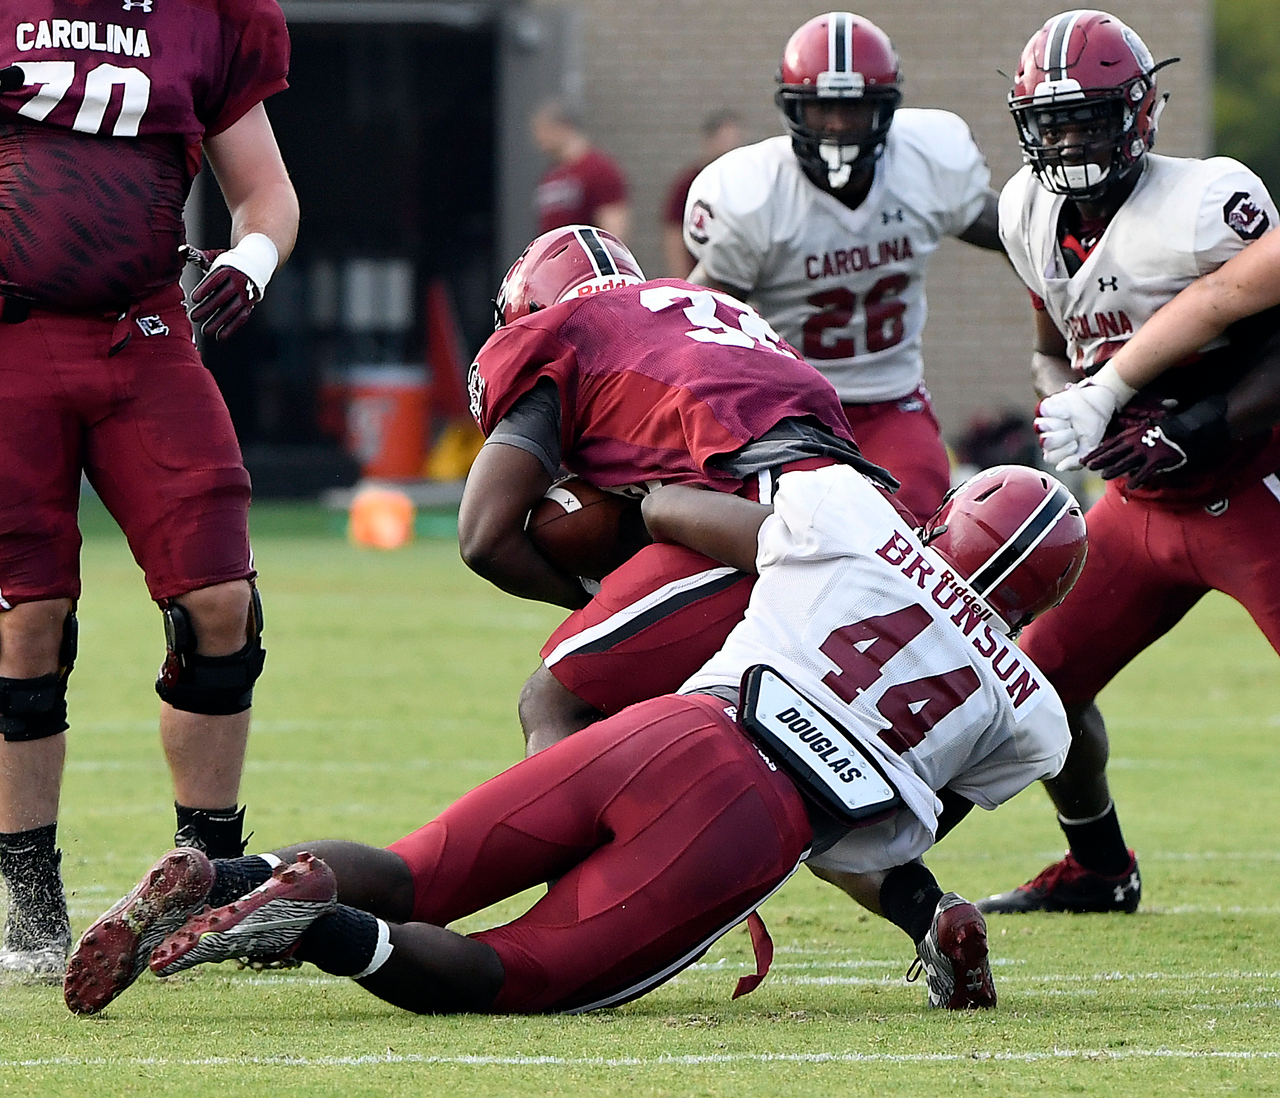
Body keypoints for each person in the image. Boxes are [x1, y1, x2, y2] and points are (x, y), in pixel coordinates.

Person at [63, 461, 1086, 1018]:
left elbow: (679, 507)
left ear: (946, 518)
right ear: (1040, 602)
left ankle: (227, 877)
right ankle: (322, 929)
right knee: (514, 973)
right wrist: (920, 905)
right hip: (758, 820)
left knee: (419, 869)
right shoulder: (1029, 711)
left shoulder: (852, 513)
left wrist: (635, 511)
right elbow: (884, 843)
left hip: (669, 725)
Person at [0, 1, 299, 979]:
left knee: (220, 600)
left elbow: (266, 191)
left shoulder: (207, 15)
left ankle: (204, 881)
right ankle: (31, 904)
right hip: (11, 338)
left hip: (145, 331)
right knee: (25, 618)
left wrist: (252, 260)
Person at [975, 9, 1280, 915]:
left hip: (1250, 486)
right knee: (1037, 691)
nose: (1071, 140)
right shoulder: (1025, 210)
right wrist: (1062, 404)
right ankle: (1100, 869)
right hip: (1140, 507)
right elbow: (1054, 338)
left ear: (1141, 112)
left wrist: (1206, 422)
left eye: (1090, 118)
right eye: (1054, 122)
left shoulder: (1208, 202)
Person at [458, 223, 893, 756]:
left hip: (759, 507)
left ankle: (581, 815)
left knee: (555, 701)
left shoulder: (563, 333)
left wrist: (588, 595)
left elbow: (483, 538)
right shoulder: (711, 309)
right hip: (863, 506)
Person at [683, 11, 1005, 523]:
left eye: (852, 109)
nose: (836, 124)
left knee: (919, 528)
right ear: (793, 109)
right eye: (822, 108)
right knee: (795, 537)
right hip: (788, 407)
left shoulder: (925, 164)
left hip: (891, 400)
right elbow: (701, 320)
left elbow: (1020, 236)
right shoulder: (756, 193)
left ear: (884, 109)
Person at [531, 98, 631, 241]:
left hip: (582, 252)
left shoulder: (598, 169)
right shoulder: (551, 174)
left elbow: (614, 227)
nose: (538, 138)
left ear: (564, 126)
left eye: (542, 130)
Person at [661, 109, 745, 278]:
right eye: (724, 140)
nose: (730, 146)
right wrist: (682, 278)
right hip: (701, 274)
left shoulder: (745, 182)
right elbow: (674, 233)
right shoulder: (690, 183)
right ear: (709, 141)